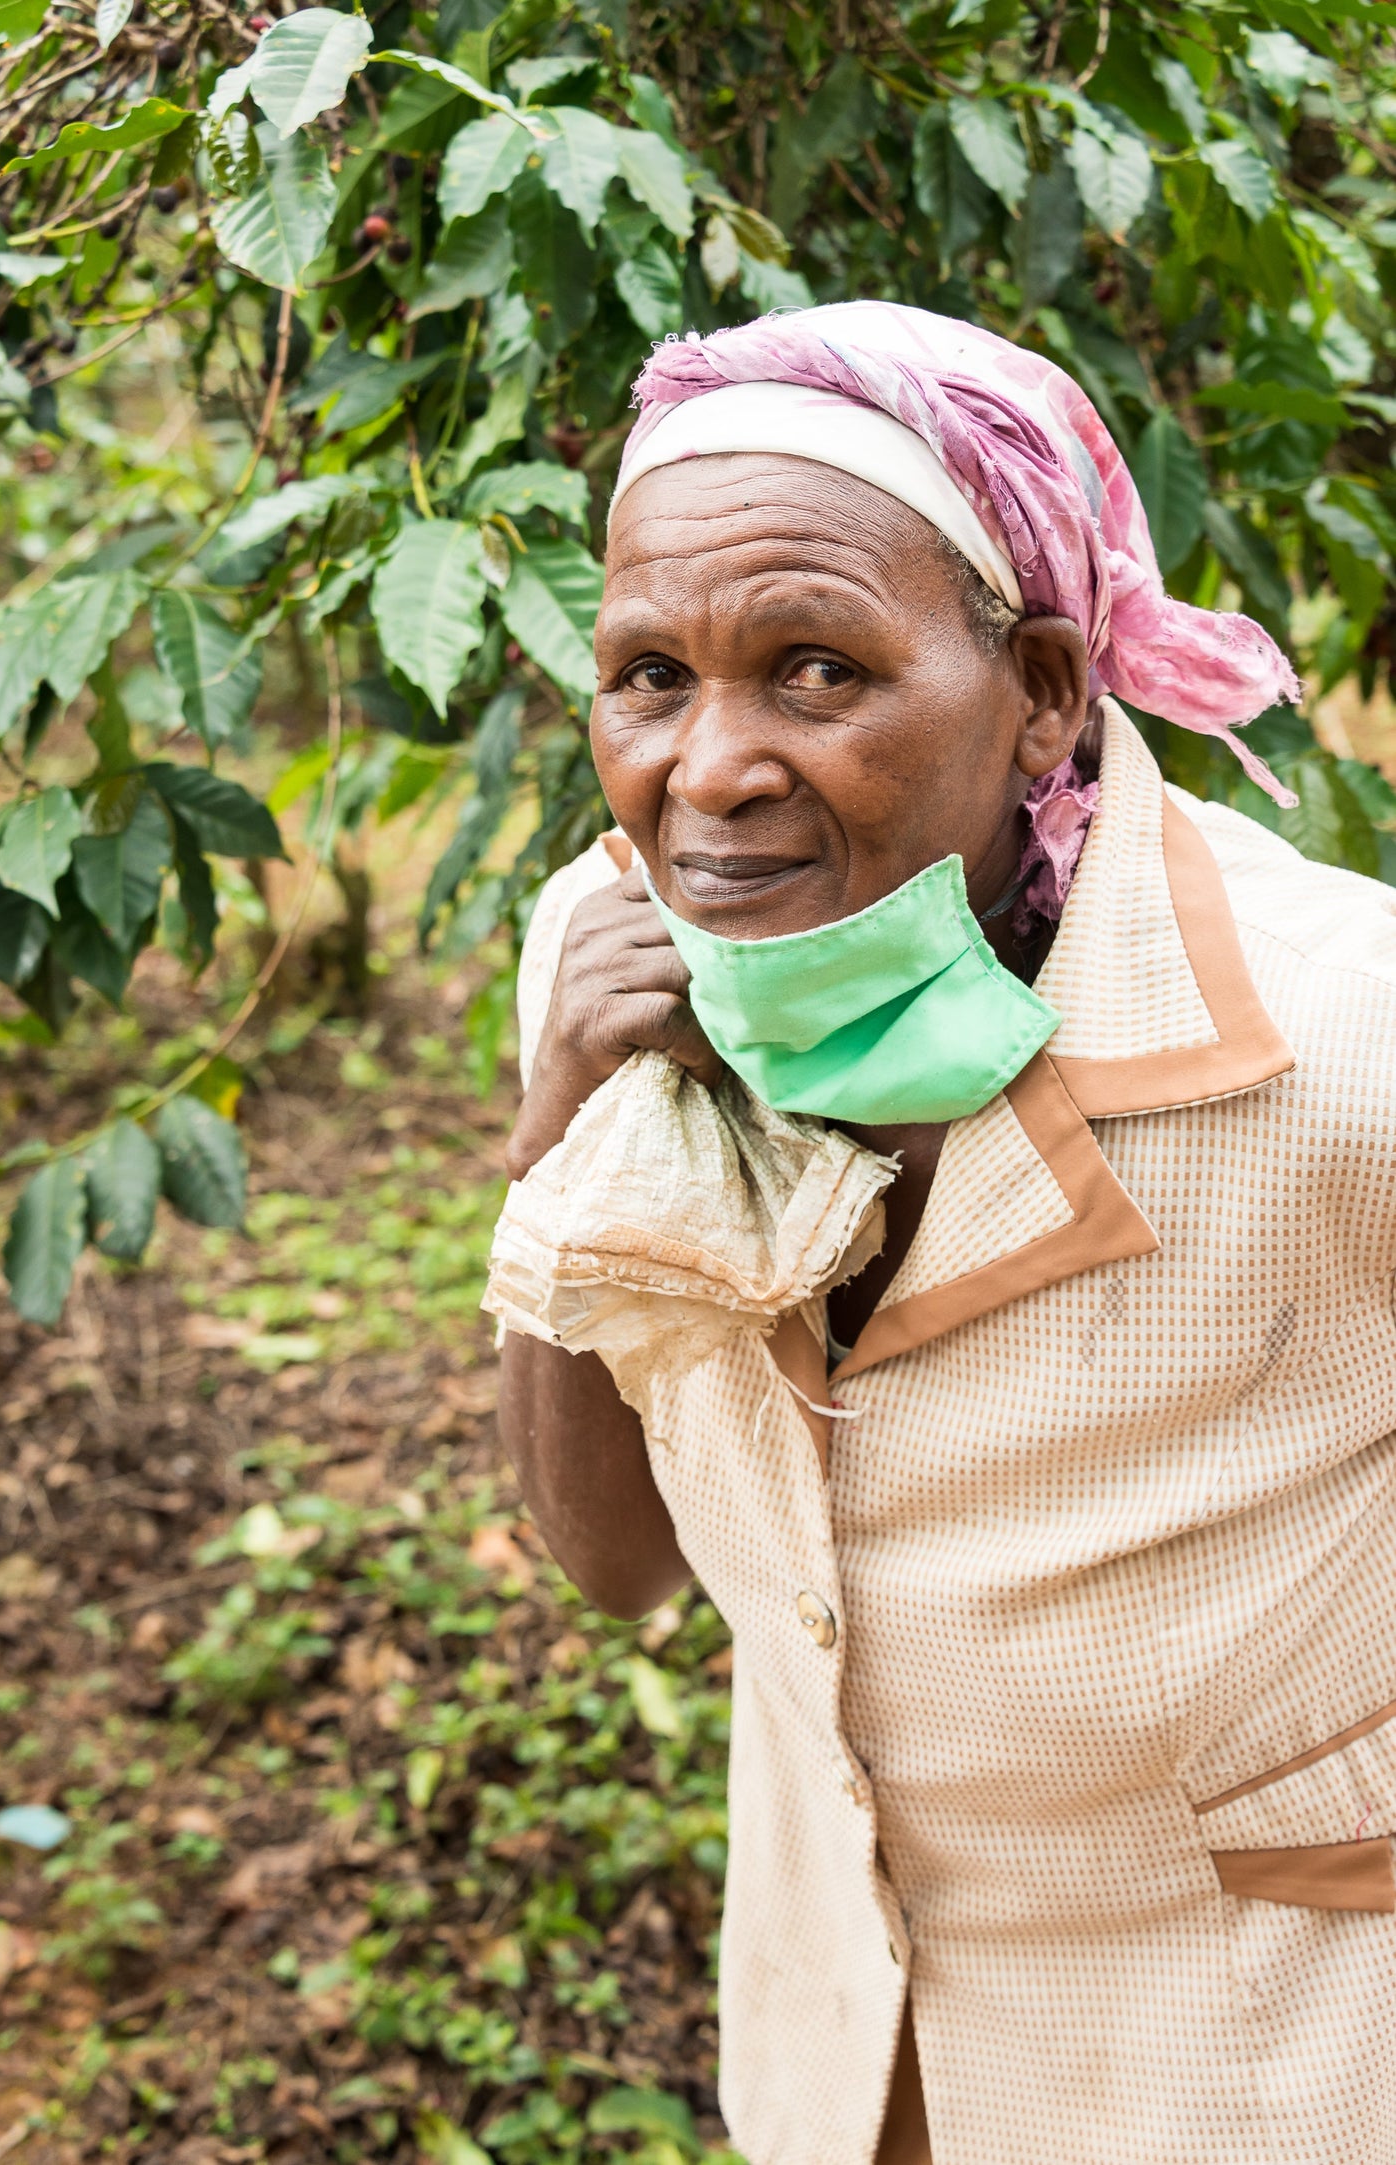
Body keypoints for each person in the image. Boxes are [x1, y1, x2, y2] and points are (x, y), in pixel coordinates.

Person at [493, 302, 1396, 2165]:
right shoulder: (618, 971)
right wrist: (561, 1127)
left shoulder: (1340, 1038)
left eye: (815, 670)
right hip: (859, 2048)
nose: (707, 771)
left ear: (1046, 692)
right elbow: (613, 1561)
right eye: (647, 677)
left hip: (1259, 2052)